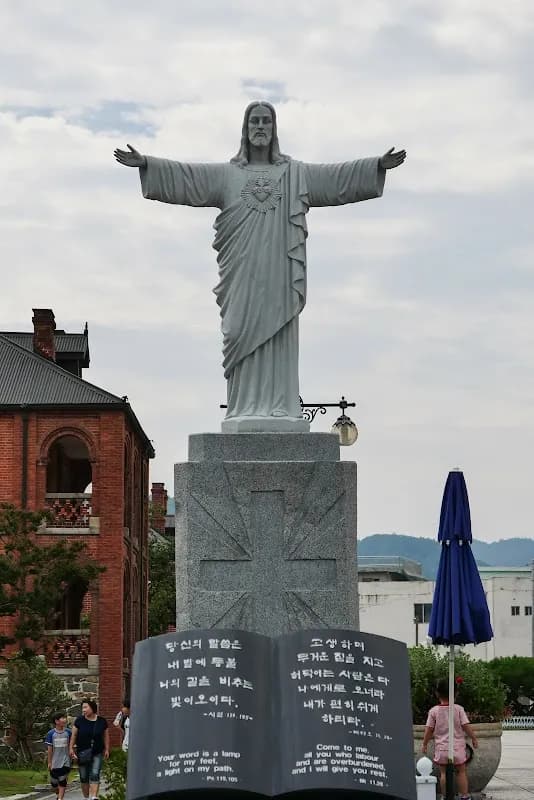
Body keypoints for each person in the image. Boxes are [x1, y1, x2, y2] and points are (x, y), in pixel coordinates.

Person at [114, 102, 406, 426]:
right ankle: (242, 408)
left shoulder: (294, 174)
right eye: (255, 121)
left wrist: (375, 166)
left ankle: (281, 406)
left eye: (266, 121)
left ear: (274, 128)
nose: (260, 127)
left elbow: (335, 178)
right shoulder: (228, 174)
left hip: (279, 276)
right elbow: (188, 177)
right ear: (245, 128)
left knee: (279, 334)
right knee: (238, 330)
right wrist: (147, 164)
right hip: (242, 276)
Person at [422, 678, 479, 800]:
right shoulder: (458, 709)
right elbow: (466, 726)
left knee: (443, 774)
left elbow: (429, 730)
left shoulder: (434, 711)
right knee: (461, 772)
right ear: (456, 693)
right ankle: (464, 796)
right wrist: (473, 738)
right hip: (457, 747)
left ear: (437, 693)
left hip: (442, 748)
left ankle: (444, 796)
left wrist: (425, 744)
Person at [69, 699, 109, 800]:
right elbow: (74, 735)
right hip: (82, 752)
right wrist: (71, 748)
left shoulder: (101, 721)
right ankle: (86, 797)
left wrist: (107, 749)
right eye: (83, 708)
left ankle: (94, 797)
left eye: (86, 707)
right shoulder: (79, 721)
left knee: (95, 774)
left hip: (97, 752)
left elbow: (106, 736)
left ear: (92, 707)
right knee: (83, 777)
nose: (84, 710)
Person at [45, 712, 71, 800]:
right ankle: (58, 794)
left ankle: (60, 798)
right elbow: (49, 749)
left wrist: (73, 755)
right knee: (54, 784)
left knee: (63, 781)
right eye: (62, 718)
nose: (65, 720)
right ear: (56, 721)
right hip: (55, 762)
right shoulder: (51, 734)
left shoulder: (68, 732)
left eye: (65, 718)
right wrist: (49, 762)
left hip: (66, 761)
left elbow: (71, 746)